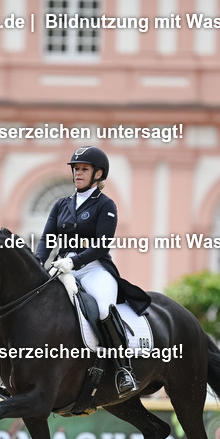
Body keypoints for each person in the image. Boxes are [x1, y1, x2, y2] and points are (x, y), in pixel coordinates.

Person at [34, 145, 151, 396]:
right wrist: (37, 263)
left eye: (84, 169)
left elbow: (101, 246)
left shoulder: (105, 205)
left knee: (102, 308)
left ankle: (123, 369)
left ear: (98, 174)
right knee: (35, 305)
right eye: (76, 169)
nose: (77, 173)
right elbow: (46, 240)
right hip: (62, 268)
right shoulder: (61, 205)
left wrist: (74, 262)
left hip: (94, 269)